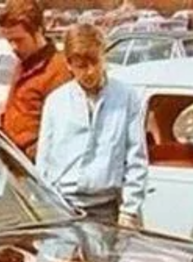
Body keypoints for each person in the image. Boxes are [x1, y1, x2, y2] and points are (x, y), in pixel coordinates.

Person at [36, 23, 148, 228]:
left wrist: (129, 210)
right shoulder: (56, 102)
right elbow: (44, 160)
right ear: (69, 65)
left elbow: (136, 158)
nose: (89, 72)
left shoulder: (126, 98)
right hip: (64, 208)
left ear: (103, 56)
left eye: (94, 63)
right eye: (80, 66)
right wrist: (46, 208)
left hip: (107, 209)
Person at [0, 0, 71, 160]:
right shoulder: (24, 63)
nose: (14, 47)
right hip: (13, 161)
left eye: (19, 40)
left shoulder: (58, 71)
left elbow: (64, 131)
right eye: (9, 41)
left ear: (38, 31)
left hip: (36, 166)